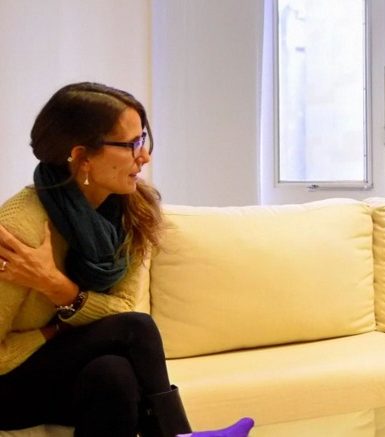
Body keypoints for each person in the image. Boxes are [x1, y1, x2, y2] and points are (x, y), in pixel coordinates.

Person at [0, 82, 254, 437]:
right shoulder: (18, 230)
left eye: (143, 139)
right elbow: (125, 324)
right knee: (136, 328)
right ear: (82, 156)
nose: (144, 156)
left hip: (60, 367)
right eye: (131, 144)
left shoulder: (131, 212)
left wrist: (56, 287)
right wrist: (54, 331)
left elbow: (120, 308)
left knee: (113, 374)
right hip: (7, 385)